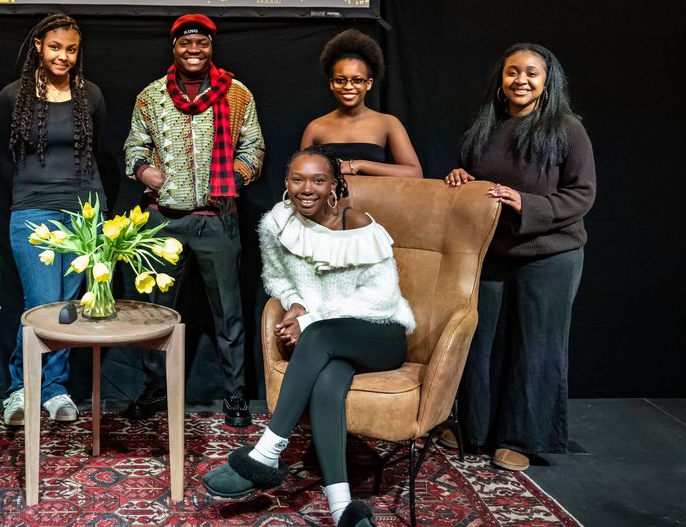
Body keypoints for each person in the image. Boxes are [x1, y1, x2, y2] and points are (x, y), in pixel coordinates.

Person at [201, 147, 414, 527]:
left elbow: (380, 300)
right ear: (286, 183)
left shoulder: (358, 225)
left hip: (380, 333)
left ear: (334, 185)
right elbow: (278, 277)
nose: (307, 189)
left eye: (318, 180)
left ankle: (267, 453)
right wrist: (296, 303)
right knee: (328, 384)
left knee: (317, 336)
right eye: (297, 179)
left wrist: (311, 318)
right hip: (328, 337)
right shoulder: (277, 223)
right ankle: (342, 508)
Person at [444, 42, 596, 472]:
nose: (521, 80)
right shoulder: (486, 126)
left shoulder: (567, 129)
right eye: (513, 72)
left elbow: (582, 194)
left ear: (547, 83)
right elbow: (475, 179)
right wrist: (461, 177)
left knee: (535, 347)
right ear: (501, 79)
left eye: (531, 73)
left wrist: (526, 204)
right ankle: (475, 428)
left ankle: (520, 438)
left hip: (550, 253)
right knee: (480, 341)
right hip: (491, 251)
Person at [123, 13, 265, 427]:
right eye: (186, 43)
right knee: (156, 312)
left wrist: (236, 175)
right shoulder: (151, 96)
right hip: (163, 220)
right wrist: (142, 169)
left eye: (201, 43)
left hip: (216, 218)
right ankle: (154, 389)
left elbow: (253, 147)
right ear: (174, 48)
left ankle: (235, 394)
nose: (193, 50)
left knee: (228, 313)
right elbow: (135, 144)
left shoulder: (237, 95)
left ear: (210, 47)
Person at [0, 13, 116, 427]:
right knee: (40, 304)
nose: (63, 56)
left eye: (71, 49)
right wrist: (32, 194)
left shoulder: (90, 95)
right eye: (55, 47)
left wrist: (92, 209)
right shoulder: (13, 96)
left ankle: (55, 388)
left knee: (67, 307)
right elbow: (2, 157)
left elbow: (98, 149)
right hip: (33, 211)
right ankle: (20, 389)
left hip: (84, 213)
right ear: (39, 48)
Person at [301, 29, 421, 178]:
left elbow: (414, 173)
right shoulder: (315, 128)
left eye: (357, 80)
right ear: (331, 84)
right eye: (340, 80)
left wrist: (358, 164)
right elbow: (302, 177)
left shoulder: (388, 123)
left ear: (369, 84)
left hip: (375, 200)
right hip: (330, 201)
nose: (348, 86)